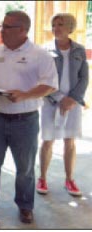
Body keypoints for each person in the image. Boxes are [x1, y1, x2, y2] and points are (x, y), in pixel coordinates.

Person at [0, 11, 58, 226]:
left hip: (26, 121)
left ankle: (25, 207)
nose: (2, 30)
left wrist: (25, 95)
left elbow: (49, 85)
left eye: (7, 27)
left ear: (23, 30)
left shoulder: (40, 54)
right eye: (2, 26)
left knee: (25, 168)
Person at [37, 13, 89, 196]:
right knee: (47, 141)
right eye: (53, 25)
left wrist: (73, 99)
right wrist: (59, 99)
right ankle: (42, 178)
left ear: (70, 28)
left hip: (73, 103)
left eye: (60, 24)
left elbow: (84, 78)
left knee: (70, 142)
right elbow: (41, 78)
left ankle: (69, 180)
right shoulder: (45, 50)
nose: (56, 28)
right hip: (51, 102)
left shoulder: (79, 50)